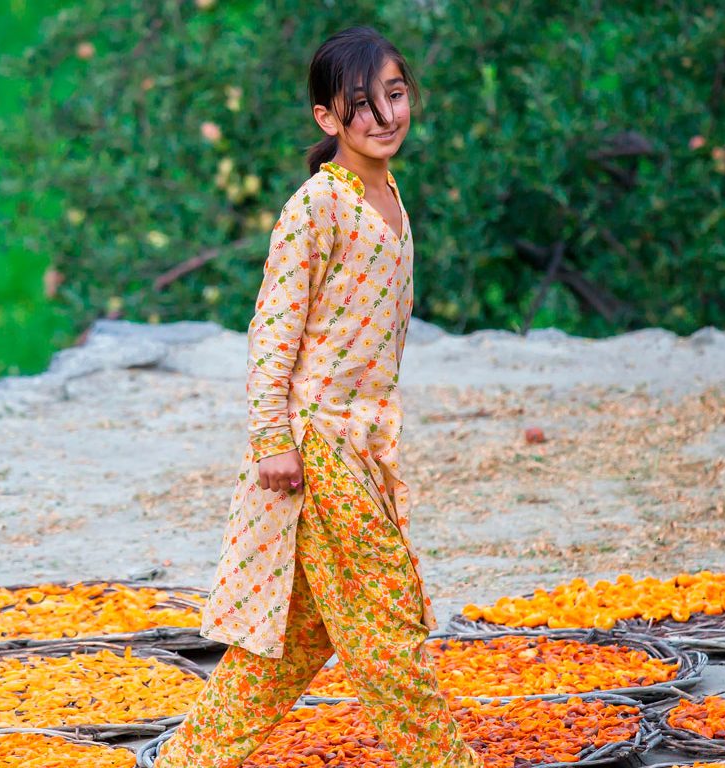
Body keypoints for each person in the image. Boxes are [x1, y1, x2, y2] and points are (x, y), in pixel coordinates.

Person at [156, 26, 481, 768]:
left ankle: (187, 760)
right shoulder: (317, 207)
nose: (385, 117)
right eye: (361, 105)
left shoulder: (388, 195)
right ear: (327, 118)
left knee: (297, 638)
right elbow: (272, 329)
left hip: (364, 444)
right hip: (319, 445)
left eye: (395, 94)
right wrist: (272, 440)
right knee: (388, 619)